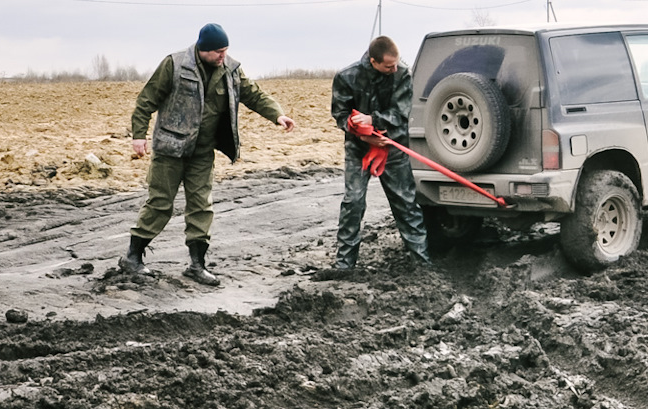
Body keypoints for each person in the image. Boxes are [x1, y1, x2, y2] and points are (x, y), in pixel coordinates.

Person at [122, 22, 296, 283]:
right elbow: (146, 100)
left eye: (225, 51)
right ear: (203, 49)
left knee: (201, 206)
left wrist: (278, 115)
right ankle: (132, 257)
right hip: (170, 149)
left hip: (202, 152)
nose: (223, 56)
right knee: (160, 203)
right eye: (218, 52)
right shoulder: (175, 64)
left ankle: (197, 265)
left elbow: (254, 95)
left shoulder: (231, 69)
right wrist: (138, 136)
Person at [316, 36, 430, 278]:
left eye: (396, 64)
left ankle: (422, 264)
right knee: (353, 203)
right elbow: (340, 115)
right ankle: (345, 266)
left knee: (406, 203)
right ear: (373, 61)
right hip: (359, 149)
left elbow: (400, 114)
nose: (394, 69)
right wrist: (363, 134)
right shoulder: (347, 77)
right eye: (389, 66)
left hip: (394, 146)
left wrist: (374, 121)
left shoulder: (403, 75)